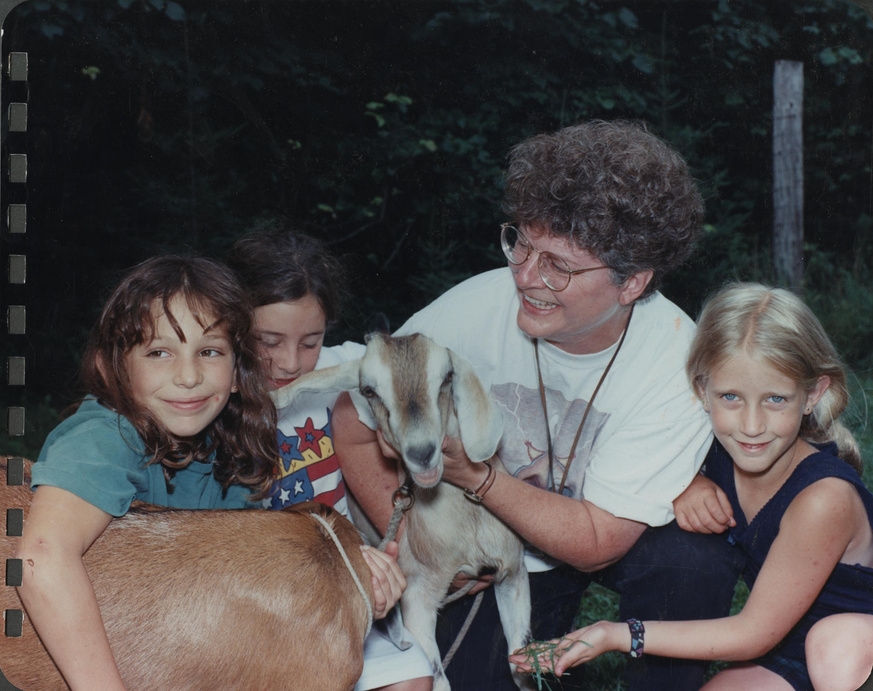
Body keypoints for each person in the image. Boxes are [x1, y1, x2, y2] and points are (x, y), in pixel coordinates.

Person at [333, 119, 745, 691]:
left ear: (631, 283)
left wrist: (475, 475)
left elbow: (596, 542)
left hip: (604, 532)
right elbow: (350, 421)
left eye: (558, 265)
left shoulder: (675, 361)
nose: (526, 276)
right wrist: (420, 547)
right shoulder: (471, 310)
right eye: (521, 243)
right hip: (489, 546)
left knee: (691, 562)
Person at [510, 283, 873, 691]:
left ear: (812, 395)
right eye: (731, 396)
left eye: (775, 399)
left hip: (851, 643)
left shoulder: (824, 499)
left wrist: (616, 634)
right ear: (703, 390)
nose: (752, 426)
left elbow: (752, 632)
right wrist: (682, 481)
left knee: (834, 647)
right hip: (786, 651)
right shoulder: (709, 451)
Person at [15, 255, 281, 689]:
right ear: (115, 368)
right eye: (159, 352)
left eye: (210, 352)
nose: (189, 376)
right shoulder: (104, 435)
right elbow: (39, 556)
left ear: (237, 372)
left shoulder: (232, 450)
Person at [228, 223, 433, 691]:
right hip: (260, 592)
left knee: (412, 682)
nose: (291, 362)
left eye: (311, 341)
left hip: (346, 577)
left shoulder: (346, 369)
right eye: (268, 341)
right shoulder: (212, 395)